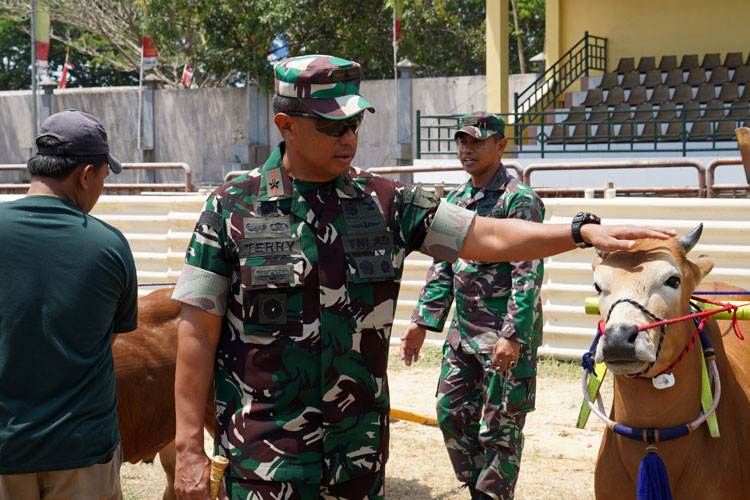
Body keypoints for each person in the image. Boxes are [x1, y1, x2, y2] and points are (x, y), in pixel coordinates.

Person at [171, 54, 674, 500]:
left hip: (357, 459)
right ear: (287, 125)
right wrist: (189, 444)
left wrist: (581, 230)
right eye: (332, 127)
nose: (349, 138)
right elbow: (196, 330)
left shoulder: (388, 203)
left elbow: (492, 237)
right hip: (264, 458)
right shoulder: (229, 207)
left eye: (355, 124)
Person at [401, 111, 542, 500]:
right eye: (463, 141)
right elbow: (442, 264)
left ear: (501, 146)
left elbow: (527, 274)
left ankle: (491, 495)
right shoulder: (457, 200)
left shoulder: (520, 200)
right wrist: (421, 322)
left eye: (478, 142)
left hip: (503, 337)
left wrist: (512, 336)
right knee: (451, 415)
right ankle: (482, 488)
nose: (468, 149)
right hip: (463, 337)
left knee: (500, 427)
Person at [0, 109, 138, 500]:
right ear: (85, 174)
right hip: (83, 455)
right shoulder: (109, 247)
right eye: (104, 178)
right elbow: (106, 341)